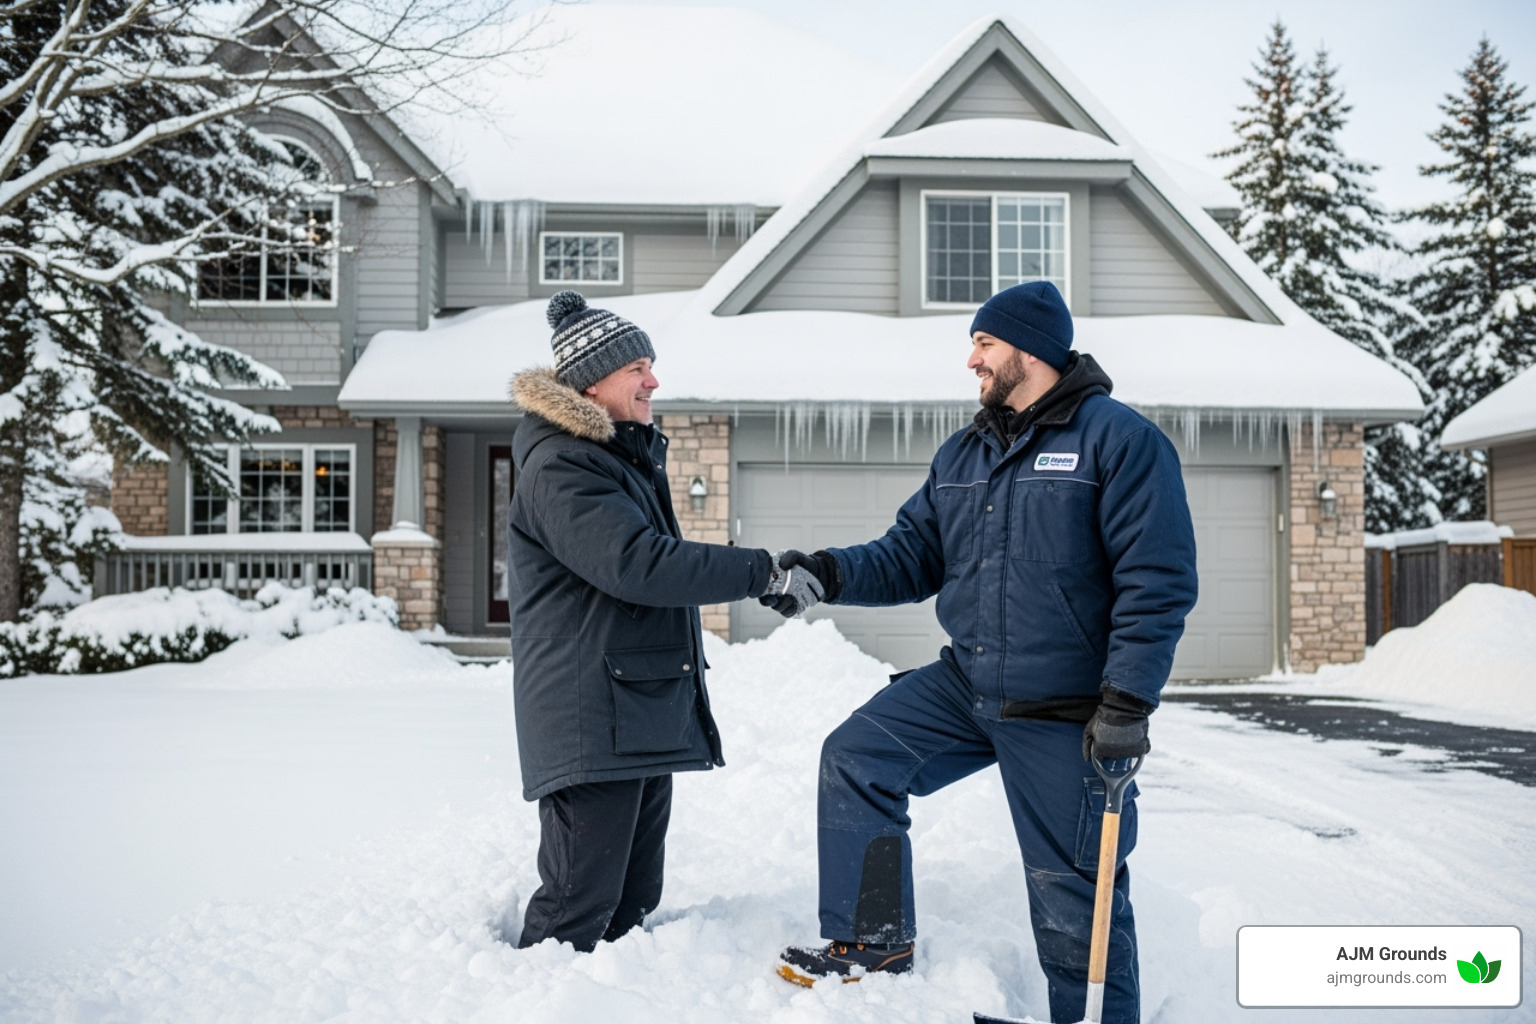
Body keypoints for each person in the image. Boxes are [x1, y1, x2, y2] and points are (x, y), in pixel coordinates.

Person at [770, 281, 1197, 1024]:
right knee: (857, 757)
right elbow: (910, 554)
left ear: (1028, 350)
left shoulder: (1118, 442)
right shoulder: (965, 453)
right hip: (966, 687)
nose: (971, 359)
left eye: (984, 343)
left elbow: (1156, 582)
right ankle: (871, 942)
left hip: (1066, 711)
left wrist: (1127, 702)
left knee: (1075, 888)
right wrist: (829, 572)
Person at [507, 290, 821, 952]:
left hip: (632, 707)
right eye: (637, 369)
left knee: (629, 901)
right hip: (591, 715)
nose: (653, 380)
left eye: (650, 364)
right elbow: (639, 565)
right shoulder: (564, 465)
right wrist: (759, 571)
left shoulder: (616, 456)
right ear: (592, 384)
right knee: (577, 905)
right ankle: (532, 1002)